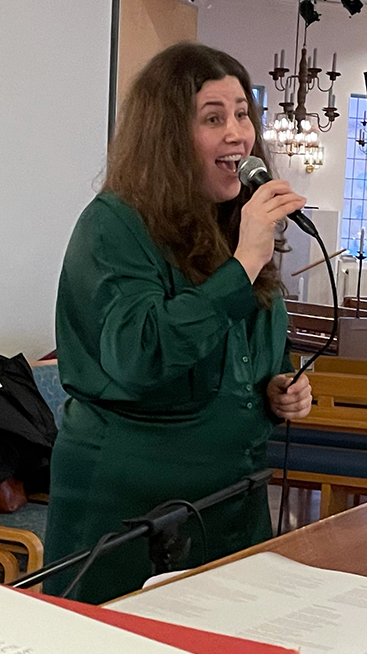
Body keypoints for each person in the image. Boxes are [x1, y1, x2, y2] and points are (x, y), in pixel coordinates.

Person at [43, 42, 312, 604]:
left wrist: (277, 386)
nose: (237, 134)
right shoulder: (114, 225)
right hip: (133, 515)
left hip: (232, 504)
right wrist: (243, 265)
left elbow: (246, 352)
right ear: (167, 136)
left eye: (243, 114)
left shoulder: (238, 224)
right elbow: (140, 355)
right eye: (213, 118)